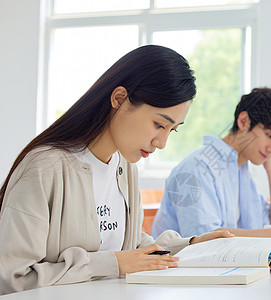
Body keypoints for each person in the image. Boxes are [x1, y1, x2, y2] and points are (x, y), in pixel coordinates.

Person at [0, 45, 233, 295]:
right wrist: (112, 263)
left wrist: (193, 245)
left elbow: (133, 247)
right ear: (119, 98)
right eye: (159, 124)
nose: (162, 143)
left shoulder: (124, 167)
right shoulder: (45, 168)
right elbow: (11, 279)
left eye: (172, 130)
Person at [152, 87, 271, 244]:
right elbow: (204, 239)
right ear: (243, 121)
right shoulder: (198, 168)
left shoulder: (240, 172)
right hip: (185, 268)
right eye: (269, 135)